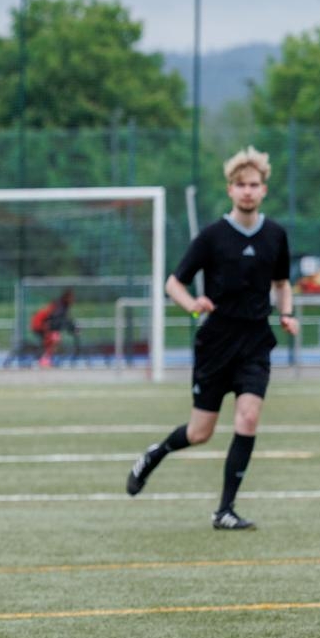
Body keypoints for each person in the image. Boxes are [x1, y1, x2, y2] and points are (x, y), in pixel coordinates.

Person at [126, 146, 298, 530]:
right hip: (216, 343)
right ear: (230, 189)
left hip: (255, 343)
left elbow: (282, 283)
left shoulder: (275, 235)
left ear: (264, 189)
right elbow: (174, 283)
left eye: (254, 185)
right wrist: (193, 305)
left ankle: (225, 510)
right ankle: (155, 454)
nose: (248, 191)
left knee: (248, 418)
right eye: (241, 185)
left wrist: (286, 313)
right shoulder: (212, 237)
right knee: (199, 433)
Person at [30, 289, 77, 368]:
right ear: (66, 298)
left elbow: (63, 320)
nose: (73, 300)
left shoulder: (62, 306)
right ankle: (44, 360)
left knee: (54, 341)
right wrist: (71, 328)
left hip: (43, 325)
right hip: (39, 324)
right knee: (53, 340)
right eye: (72, 298)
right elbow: (58, 319)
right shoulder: (60, 306)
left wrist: (71, 327)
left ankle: (45, 359)